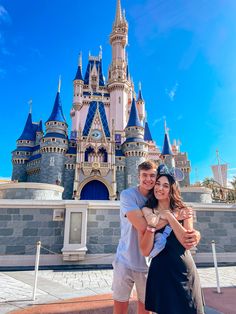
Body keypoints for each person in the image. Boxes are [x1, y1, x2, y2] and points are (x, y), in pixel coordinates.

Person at [112, 160, 200, 314]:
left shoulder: (159, 205)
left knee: (147, 309)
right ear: (137, 176)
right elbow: (143, 227)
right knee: (120, 307)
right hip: (126, 260)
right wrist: (172, 216)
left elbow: (188, 237)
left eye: (153, 176)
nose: (149, 180)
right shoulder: (132, 198)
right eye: (144, 175)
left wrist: (196, 234)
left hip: (153, 266)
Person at [139, 165, 205, 314]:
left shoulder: (184, 209)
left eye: (165, 185)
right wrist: (174, 216)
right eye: (157, 184)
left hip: (183, 271)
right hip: (160, 273)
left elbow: (186, 241)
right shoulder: (147, 209)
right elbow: (151, 226)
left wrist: (168, 215)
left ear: (171, 190)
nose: (159, 188)